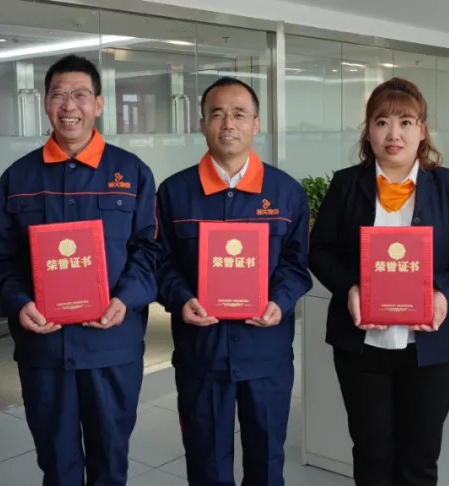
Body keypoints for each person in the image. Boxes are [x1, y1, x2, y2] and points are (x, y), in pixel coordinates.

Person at [0, 54, 160, 486]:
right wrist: (19, 303)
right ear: (45, 103)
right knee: (57, 465)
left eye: (80, 94)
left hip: (112, 346)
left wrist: (125, 298)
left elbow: (150, 251)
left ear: (98, 104)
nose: (69, 106)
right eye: (58, 95)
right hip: (45, 349)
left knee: (110, 462)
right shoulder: (19, 177)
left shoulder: (131, 172)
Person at [308, 78, 449, 486]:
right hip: (362, 346)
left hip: (430, 346)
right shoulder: (346, 185)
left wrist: (444, 292)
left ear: (422, 131)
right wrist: (351, 287)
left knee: (420, 458)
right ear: (368, 131)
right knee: (371, 455)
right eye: (382, 122)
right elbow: (319, 250)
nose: (394, 134)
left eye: (406, 122)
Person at [155, 77, 312, 485]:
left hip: (266, 354)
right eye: (217, 114)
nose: (228, 123)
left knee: (266, 463)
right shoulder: (174, 193)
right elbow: (161, 261)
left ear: (256, 124)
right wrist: (181, 298)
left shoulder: (285, 192)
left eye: (239, 114)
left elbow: (296, 264)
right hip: (202, 355)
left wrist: (280, 300)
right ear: (202, 123)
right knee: (206, 465)